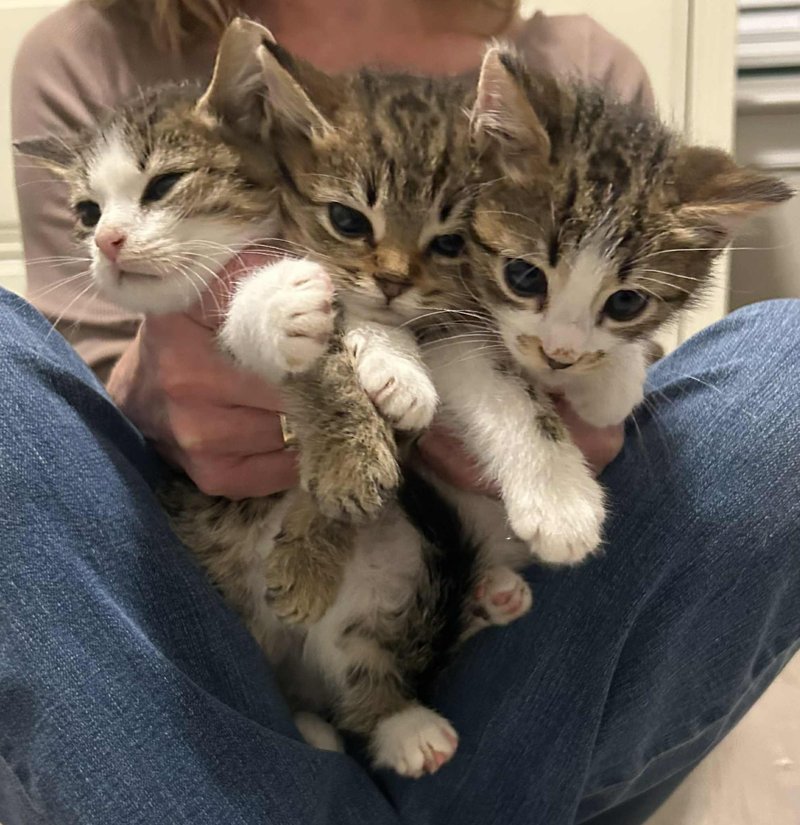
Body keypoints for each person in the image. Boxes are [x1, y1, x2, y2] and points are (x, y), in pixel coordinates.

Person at [1, 1, 797, 823]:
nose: (390, 271)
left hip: (479, 637)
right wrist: (149, 390)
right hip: (219, 638)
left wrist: (557, 417)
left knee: (789, 365)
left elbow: (604, 375)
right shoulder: (91, 47)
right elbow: (75, 448)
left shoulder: (575, 66)